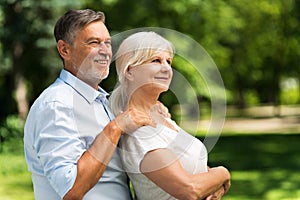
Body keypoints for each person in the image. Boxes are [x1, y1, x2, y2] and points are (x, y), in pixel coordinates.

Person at [23, 9, 157, 200]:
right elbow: (71, 189)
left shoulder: (102, 103)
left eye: (107, 43)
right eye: (93, 42)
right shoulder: (56, 104)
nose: (105, 51)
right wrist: (115, 128)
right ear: (64, 50)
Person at [109, 31, 231, 200]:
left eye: (169, 61)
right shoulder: (140, 134)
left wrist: (213, 185)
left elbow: (193, 168)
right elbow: (189, 190)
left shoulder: (162, 116)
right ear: (129, 71)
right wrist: (223, 174)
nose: (166, 68)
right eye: (156, 60)